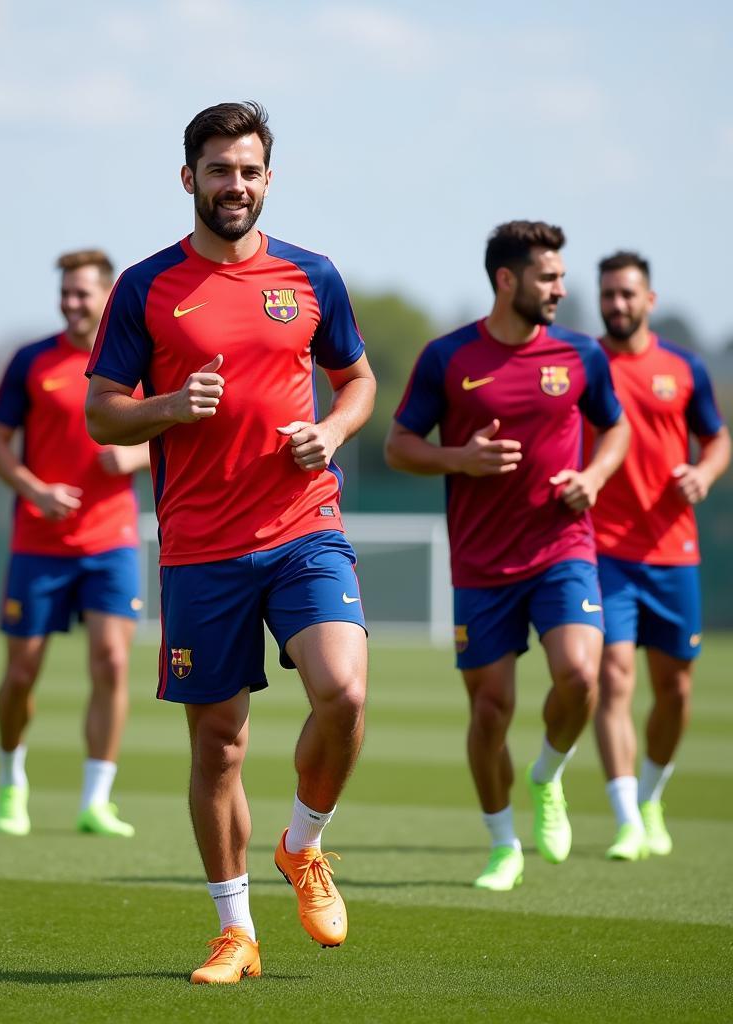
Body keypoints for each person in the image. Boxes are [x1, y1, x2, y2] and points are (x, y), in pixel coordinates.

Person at [85, 101, 375, 984]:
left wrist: (334, 433)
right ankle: (235, 931)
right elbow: (101, 410)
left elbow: (356, 381)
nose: (235, 186)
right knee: (219, 745)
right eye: (219, 171)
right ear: (190, 181)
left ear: (267, 180)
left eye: (249, 171)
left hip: (303, 527)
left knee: (345, 691)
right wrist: (169, 407)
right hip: (201, 547)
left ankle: (304, 846)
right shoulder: (144, 286)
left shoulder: (312, 274)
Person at [385, 220, 630, 892]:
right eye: (547, 277)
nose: (560, 288)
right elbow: (399, 445)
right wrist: (458, 458)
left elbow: (616, 428)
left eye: (560, 276)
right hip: (481, 566)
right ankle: (502, 845)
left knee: (581, 674)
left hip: (562, 550)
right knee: (490, 710)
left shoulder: (582, 355)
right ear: (506, 280)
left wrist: (596, 477)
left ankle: (548, 774)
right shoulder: (448, 357)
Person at [0, 249, 149, 840]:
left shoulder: (136, 362)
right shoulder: (32, 360)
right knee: (22, 673)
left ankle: (96, 801)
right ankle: (11, 783)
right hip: (38, 543)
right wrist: (34, 489)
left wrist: (135, 453)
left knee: (111, 663)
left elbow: (180, 434)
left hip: (113, 542)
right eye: (66, 292)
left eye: (84, 293)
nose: (72, 302)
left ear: (107, 297)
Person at [589, 251, 729, 861]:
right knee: (613, 677)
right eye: (608, 295)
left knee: (675, 692)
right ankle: (625, 819)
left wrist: (705, 473)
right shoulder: (583, 362)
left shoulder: (685, 367)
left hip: (674, 551)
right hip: (602, 549)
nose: (616, 304)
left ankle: (650, 798)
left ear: (649, 300)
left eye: (627, 294)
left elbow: (717, 437)